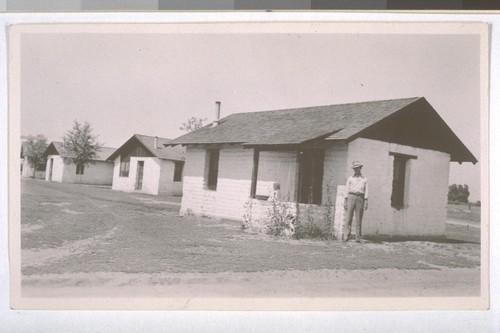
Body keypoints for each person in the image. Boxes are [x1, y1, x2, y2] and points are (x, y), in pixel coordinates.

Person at [343, 161, 369, 243]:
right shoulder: (350, 178)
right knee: (348, 218)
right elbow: (346, 189)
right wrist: (345, 200)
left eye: (357, 168)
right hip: (351, 197)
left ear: (360, 168)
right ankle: (346, 236)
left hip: (360, 198)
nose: (356, 170)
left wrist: (366, 201)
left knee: (359, 219)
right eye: (354, 168)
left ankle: (358, 237)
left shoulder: (365, 179)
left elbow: (366, 190)